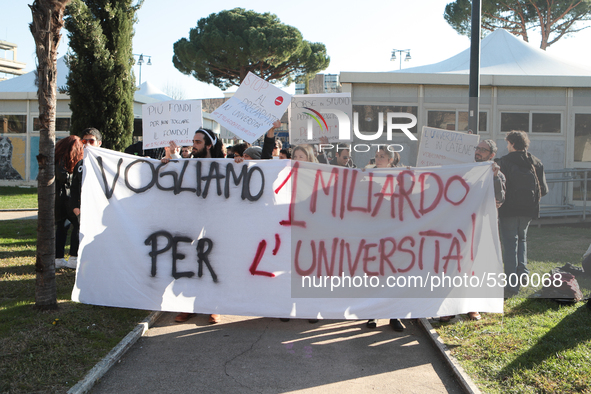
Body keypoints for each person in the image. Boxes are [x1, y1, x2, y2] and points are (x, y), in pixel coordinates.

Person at [496, 131, 548, 297]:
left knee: (510, 244)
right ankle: (523, 274)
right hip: (528, 210)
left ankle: (512, 284)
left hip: (508, 209)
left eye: (507, 143)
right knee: (522, 239)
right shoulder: (535, 162)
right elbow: (544, 190)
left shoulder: (503, 162)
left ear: (511, 143)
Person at [364, 146, 405, 331]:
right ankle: (372, 314)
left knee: (394, 274)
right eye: (376, 156)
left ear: (390, 159)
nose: (378, 159)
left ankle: (394, 315)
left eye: (382, 156)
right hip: (373, 230)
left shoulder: (401, 175)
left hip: (394, 230)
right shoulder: (367, 174)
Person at [55, 136, 85, 269]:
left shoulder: (57, 158)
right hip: (67, 199)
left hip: (59, 198)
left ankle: (58, 258)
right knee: (77, 225)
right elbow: (64, 177)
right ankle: (73, 257)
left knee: (62, 227)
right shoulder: (63, 161)